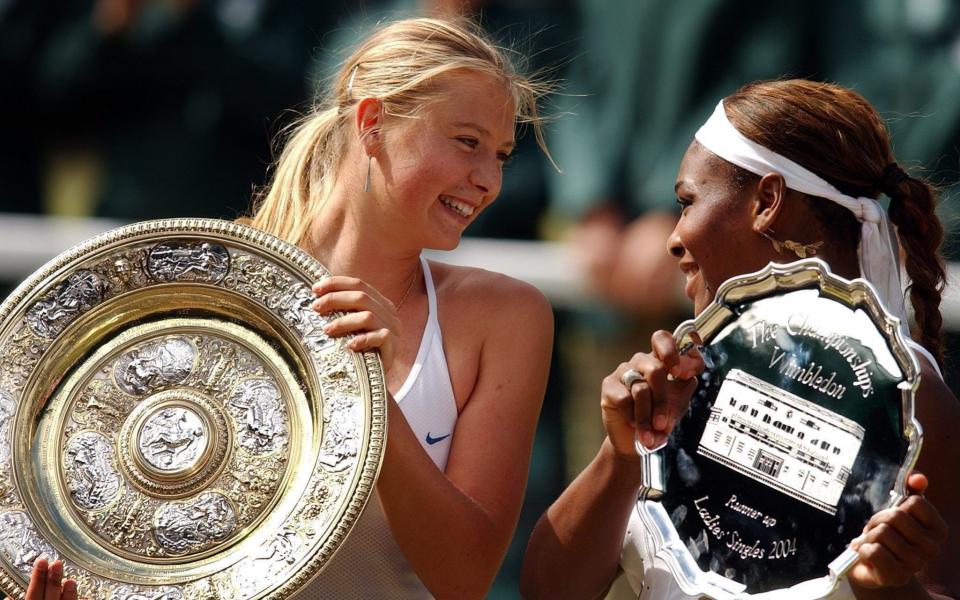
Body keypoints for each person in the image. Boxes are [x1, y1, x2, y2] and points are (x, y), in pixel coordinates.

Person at [24, 17, 554, 600]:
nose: (488, 180)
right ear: (372, 123)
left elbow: (464, 577)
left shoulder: (507, 317)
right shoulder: (199, 291)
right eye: (467, 142)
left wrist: (367, 391)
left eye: (501, 154)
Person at [520, 79, 959, 600]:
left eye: (688, 202)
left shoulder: (912, 401)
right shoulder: (680, 378)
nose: (674, 238)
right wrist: (621, 454)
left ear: (767, 201)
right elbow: (546, 590)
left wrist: (886, 587)